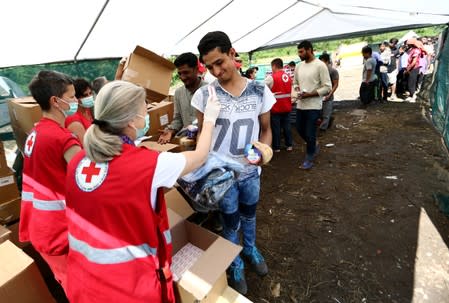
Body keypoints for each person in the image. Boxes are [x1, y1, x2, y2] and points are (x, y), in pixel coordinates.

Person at [64, 80, 221, 303]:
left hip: (83, 279)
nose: (146, 112)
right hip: (127, 287)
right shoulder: (146, 165)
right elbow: (200, 156)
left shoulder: (78, 159)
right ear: (130, 120)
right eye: (144, 108)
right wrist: (211, 118)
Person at [192, 31, 274, 295]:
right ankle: (235, 262)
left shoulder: (259, 90)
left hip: (250, 171)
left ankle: (250, 249)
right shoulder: (205, 96)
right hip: (221, 176)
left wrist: (264, 151)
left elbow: (266, 129)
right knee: (230, 222)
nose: (216, 71)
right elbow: (201, 137)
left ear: (231, 53)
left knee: (249, 215)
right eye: (209, 66)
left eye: (220, 62)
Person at [19, 70, 82, 291]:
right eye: (72, 96)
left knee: (68, 284)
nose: (76, 101)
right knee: (82, 290)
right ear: (56, 101)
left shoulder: (35, 132)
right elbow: (89, 185)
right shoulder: (62, 138)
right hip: (59, 233)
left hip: (39, 227)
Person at [293, 40, 331, 169]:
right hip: (301, 105)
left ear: (309, 50)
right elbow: (295, 83)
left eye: (301, 51)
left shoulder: (320, 66)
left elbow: (327, 87)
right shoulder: (299, 66)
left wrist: (310, 94)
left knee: (309, 132)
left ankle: (309, 157)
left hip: (314, 105)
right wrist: (297, 89)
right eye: (298, 52)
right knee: (299, 128)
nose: (299, 54)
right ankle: (313, 144)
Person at [158, 52, 208, 144]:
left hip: (206, 143)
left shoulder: (209, 91)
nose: (182, 77)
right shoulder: (178, 93)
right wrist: (170, 131)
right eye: (179, 74)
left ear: (196, 70)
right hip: (186, 142)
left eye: (186, 72)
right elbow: (178, 119)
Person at [265, 58, 293, 152]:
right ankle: (289, 145)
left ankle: (277, 147)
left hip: (276, 108)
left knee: (276, 128)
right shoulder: (288, 76)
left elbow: (262, 88)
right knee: (287, 127)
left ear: (274, 66)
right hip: (287, 107)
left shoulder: (271, 77)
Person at [65, 78, 94, 146]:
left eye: (90, 93)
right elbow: (85, 146)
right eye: (85, 95)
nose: (89, 97)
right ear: (76, 98)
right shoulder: (73, 119)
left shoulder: (87, 110)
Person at [318, 53, 339, 131]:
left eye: (322, 62)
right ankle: (329, 120)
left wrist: (330, 94)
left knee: (326, 114)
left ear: (327, 61)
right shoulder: (319, 71)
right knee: (320, 113)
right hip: (319, 95)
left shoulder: (333, 71)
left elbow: (336, 84)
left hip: (328, 95)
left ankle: (322, 129)